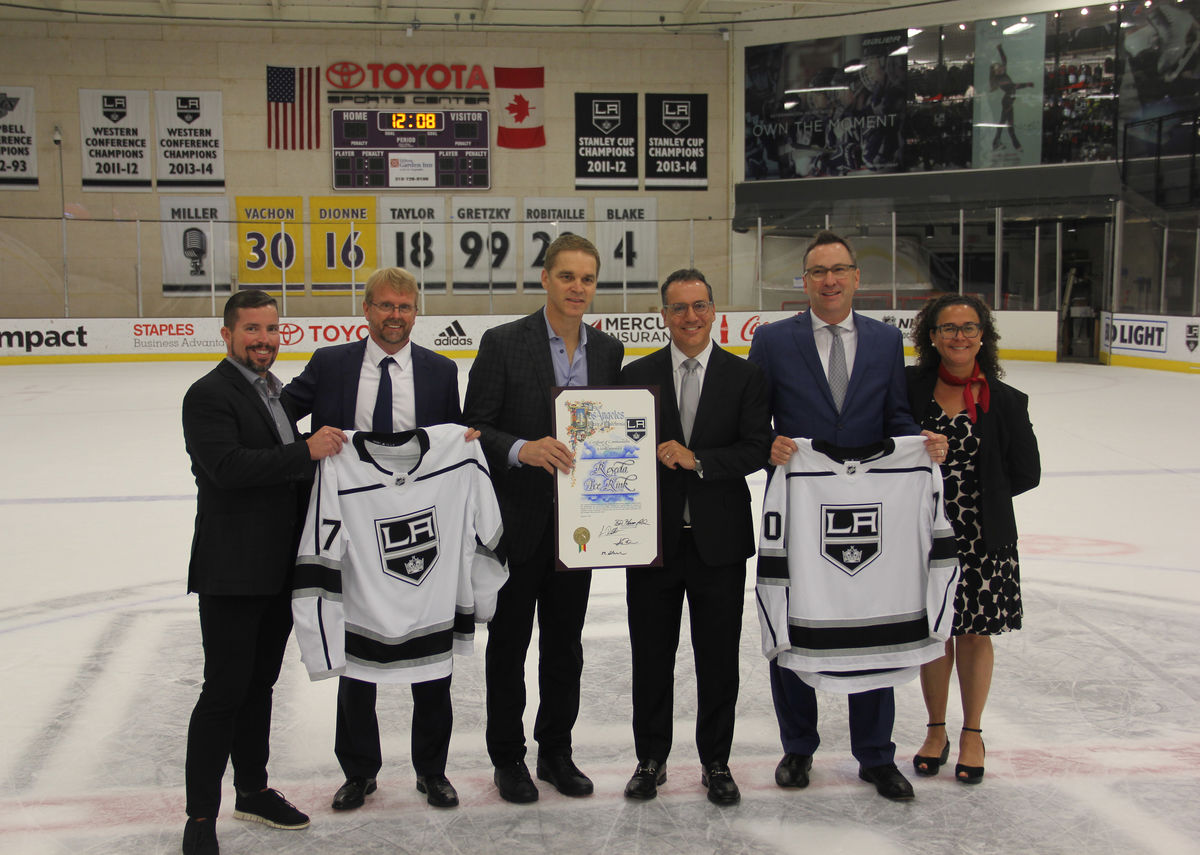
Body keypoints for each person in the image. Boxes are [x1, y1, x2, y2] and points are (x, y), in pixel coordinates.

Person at [747, 230, 948, 802]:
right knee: (792, 614)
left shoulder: (886, 342)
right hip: (800, 504)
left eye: (839, 270)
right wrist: (769, 445)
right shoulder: (774, 341)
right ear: (804, 282)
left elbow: (897, 417)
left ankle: (876, 755)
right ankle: (798, 746)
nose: (829, 280)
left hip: (869, 507)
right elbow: (752, 420)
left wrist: (920, 445)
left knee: (870, 612)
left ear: (857, 277)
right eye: (817, 272)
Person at [283, 267, 466, 811]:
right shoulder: (331, 363)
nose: (395, 316)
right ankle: (359, 770)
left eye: (405, 307)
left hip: (414, 533)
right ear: (366, 310)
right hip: (353, 531)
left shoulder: (439, 370)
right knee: (357, 649)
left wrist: (465, 441)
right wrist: (302, 447)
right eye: (385, 306)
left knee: (429, 650)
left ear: (416, 312)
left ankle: (432, 770)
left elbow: (447, 446)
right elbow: (277, 418)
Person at [181, 290, 347, 855]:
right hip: (232, 572)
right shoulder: (208, 395)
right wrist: (308, 449)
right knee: (224, 692)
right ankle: (200, 816)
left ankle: (251, 789)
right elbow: (226, 468)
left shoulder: (274, 391)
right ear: (227, 334)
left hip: (277, 570)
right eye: (252, 330)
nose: (264, 340)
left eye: (272, 330)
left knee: (259, 688)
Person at [463, 234, 624, 803]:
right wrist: (521, 448)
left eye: (587, 278)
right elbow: (475, 429)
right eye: (567, 277)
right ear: (545, 279)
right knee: (508, 645)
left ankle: (556, 751)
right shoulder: (503, 343)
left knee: (565, 646)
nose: (577, 288)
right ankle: (508, 758)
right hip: (519, 523)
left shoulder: (607, 350)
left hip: (579, 529)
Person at [618, 270, 771, 805]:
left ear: (714, 311)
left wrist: (697, 459)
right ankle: (651, 759)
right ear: (664, 315)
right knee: (652, 656)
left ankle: (716, 761)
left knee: (718, 658)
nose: (690, 317)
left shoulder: (744, 377)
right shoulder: (635, 377)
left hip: (720, 545)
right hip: (650, 543)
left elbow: (757, 448)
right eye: (678, 308)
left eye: (699, 306)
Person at [906, 294, 1040, 785]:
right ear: (933, 337)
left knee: (974, 633)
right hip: (922, 533)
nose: (958, 336)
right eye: (948, 328)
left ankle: (972, 733)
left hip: (984, 537)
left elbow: (1028, 472)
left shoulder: (1006, 401)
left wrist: (979, 482)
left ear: (983, 335)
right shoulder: (908, 390)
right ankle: (936, 729)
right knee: (935, 633)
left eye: (968, 327)